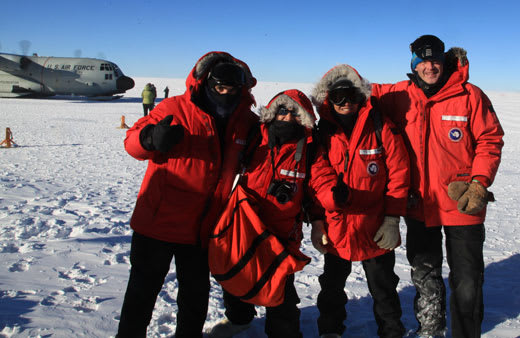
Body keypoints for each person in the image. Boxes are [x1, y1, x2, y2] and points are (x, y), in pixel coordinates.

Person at [117, 51, 258, 338]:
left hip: (202, 228)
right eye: (220, 87)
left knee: (195, 296)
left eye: (233, 89)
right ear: (206, 82)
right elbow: (132, 142)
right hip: (157, 223)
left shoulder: (245, 121)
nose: (226, 94)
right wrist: (150, 139)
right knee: (141, 294)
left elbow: (263, 153)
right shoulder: (174, 108)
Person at [372, 35, 504, 338]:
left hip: (463, 202)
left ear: (444, 61)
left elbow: (490, 139)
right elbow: (359, 92)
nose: (430, 66)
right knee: (425, 275)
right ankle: (431, 329)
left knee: (467, 279)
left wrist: (479, 183)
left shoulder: (470, 95)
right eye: (423, 60)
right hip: (419, 204)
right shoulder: (398, 95)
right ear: (414, 64)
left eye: (435, 60)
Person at [208, 89, 338, 338]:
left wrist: (329, 203)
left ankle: (284, 333)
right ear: (272, 113)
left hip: (282, 235)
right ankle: (239, 319)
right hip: (245, 225)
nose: (287, 118)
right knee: (238, 276)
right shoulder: (255, 138)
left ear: (304, 119)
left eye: (295, 113)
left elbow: (320, 182)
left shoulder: (310, 149)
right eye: (282, 110)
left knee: (281, 294)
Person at [309, 64, 410, 338]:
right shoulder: (322, 133)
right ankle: (330, 331)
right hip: (336, 227)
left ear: (361, 97)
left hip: (374, 226)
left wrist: (392, 219)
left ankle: (391, 332)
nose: (345, 103)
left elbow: (399, 174)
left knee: (384, 288)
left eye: (350, 96)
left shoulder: (381, 126)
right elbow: (315, 180)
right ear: (328, 99)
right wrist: (318, 222)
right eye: (338, 97)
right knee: (331, 287)